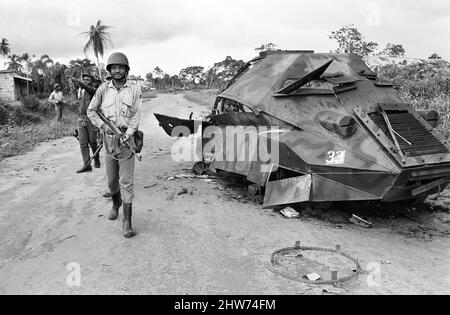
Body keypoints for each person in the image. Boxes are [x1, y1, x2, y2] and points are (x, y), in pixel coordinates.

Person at [87, 52, 142, 238]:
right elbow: (91, 111)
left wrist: (128, 133)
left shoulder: (135, 89)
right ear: (110, 70)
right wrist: (103, 126)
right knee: (112, 182)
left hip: (127, 141)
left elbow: (136, 115)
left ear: (126, 70)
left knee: (126, 182)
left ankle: (127, 221)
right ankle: (115, 204)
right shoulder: (103, 89)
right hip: (109, 142)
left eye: (121, 67)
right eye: (114, 68)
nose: (117, 71)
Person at [71, 73, 101, 173]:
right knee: (83, 143)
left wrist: (78, 81)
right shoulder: (81, 92)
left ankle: (96, 159)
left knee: (93, 142)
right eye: (84, 80)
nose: (85, 81)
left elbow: (87, 87)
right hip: (81, 119)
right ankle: (87, 164)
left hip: (91, 120)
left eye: (88, 80)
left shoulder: (93, 91)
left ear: (92, 82)